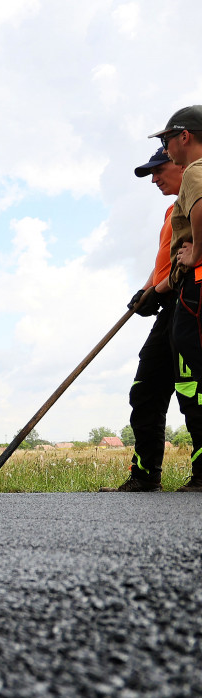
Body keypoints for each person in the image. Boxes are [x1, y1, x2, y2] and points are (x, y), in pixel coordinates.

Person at [101, 147, 185, 491]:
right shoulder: (172, 210)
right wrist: (146, 290)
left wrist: (162, 287)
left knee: (194, 390)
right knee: (146, 389)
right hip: (169, 304)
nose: (154, 178)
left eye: (158, 169)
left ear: (181, 163)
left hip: (192, 301)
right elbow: (166, 259)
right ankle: (145, 475)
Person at [151, 106, 202, 491]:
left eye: (167, 138)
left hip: (196, 288)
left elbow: (200, 208)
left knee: (195, 378)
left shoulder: (196, 171)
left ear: (185, 135)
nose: (166, 147)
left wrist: (196, 251)